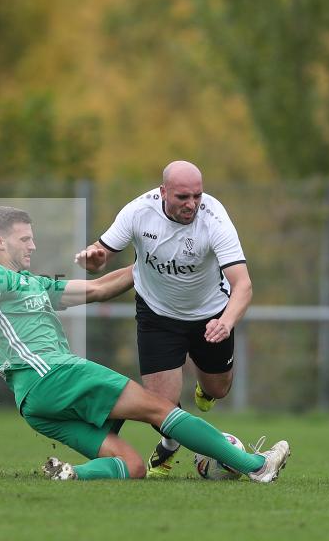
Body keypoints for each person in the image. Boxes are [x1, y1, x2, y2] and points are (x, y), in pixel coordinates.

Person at [0, 206, 288, 482]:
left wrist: (152, 262)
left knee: (131, 465)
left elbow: (100, 288)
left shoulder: (35, 284)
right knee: (158, 408)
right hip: (54, 375)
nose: (32, 245)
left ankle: (69, 474)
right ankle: (255, 465)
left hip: (35, 405)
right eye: (25, 239)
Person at [75, 161, 253, 478]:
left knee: (219, 388)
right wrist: (93, 260)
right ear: (163, 192)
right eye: (183, 197)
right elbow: (98, 257)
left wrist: (225, 321)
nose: (192, 204)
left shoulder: (214, 219)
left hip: (210, 315)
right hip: (157, 314)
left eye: (197, 196)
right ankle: (169, 446)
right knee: (160, 406)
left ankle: (206, 392)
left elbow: (243, 285)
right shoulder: (137, 212)